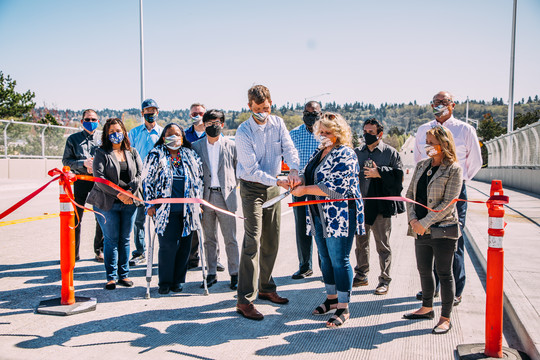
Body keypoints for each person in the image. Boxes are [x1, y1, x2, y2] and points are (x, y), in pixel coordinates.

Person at [291, 112, 365, 328]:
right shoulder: (319, 151)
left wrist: (305, 189)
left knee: (339, 259)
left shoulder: (346, 154)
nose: (323, 135)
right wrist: (297, 181)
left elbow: (336, 189)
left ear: (339, 133)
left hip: (339, 214)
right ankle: (331, 298)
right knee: (324, 258)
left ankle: (344, 306)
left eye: (328, 132)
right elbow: (310, 174)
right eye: (320, 132)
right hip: (317, 212)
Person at [235, 85, 300, 321]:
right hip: (252, 188)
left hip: (274, 186)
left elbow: (289, 148)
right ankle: (244, 300)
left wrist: (293, 169)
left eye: (267, 108)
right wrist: (279, 180)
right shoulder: (243, 132)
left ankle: (266, 286)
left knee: (272, 238)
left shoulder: (278, 123)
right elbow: (251, 170)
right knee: (252, 240)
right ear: (249, 106)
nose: (264, 112)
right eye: (259, 109)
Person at [413, 91, 482, 306]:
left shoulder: (465, 130)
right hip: (428, 190)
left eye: (443, 102)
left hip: (454, 190)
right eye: (435, 102)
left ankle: (455, 290)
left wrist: (459, 182)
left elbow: (475, 161)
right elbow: (418, 158)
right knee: (429, 238)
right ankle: (432, 288)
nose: (439, 105)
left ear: (452, 105)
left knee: (453, 240)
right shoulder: (423, 130)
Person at [403, 125, 462, 334]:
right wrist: (412, 221)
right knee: (424, 269)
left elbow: (449, 202)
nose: (427, 147)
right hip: (420, 228)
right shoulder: (421, 166)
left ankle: (445, 317)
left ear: (443, 145)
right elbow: (409, 194)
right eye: (426, 143)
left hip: (442, 229)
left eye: (431, 143)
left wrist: (424, 222)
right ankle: (426, 307)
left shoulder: (454, 168)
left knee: (444, 273)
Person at [143, 123, 203, 294]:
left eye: (177, 134)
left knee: (185, 246)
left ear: (182, 137)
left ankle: (178, 281)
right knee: (168, 245)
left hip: (187, 209)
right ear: (163, 137)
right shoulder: (155, 155)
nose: (174, 137)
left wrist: (199, 202)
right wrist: (150, 203)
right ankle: (165, 282)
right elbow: (147, 180)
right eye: (170, 134)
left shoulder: (190, 155)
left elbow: (199, 179)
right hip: (164, 210)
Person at [87, 118, 143, 290]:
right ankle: (111, 277)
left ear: (124, 132)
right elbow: (100, 179)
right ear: (106, 134)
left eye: (118, 131)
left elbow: (140, 174)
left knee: (125, 240)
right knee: (111, 240)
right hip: (108, 203)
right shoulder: (101, 153)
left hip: (129, 202)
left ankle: (123, 275)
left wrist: (129, 194)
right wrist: (119, 194)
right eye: (111, 132)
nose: (115, 134)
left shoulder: (132, 152)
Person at [353, 118, 405, 295]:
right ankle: (361, 274)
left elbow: (399, 180)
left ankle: (384, 280)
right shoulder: (356, 153)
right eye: (365, 131)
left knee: (382, 245)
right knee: (361, 243)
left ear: (380, 134)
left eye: (371, 132)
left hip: (381, 206)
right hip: (361, 205)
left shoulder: (390, 153)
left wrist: (380, 173)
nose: (367, 135)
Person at [192, 110, 240, 290]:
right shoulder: (196, 146)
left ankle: (235, 273)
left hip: (225, 197)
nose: (214, 125)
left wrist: (231, 185)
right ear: (204, 125)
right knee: (209, 238)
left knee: (230, 238)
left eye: (218, 122)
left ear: (223, 124)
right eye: (210, 123)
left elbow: (238, 170)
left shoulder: (231, 145)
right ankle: (211, 272)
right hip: (205, 198)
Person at [185, 103, 224, 271]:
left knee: (212, 229)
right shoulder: (186, 135)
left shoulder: (213, 134)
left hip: (212, 187)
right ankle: (192, 257)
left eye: (200, 113)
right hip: (195, 187)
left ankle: (215, 260)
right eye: (194, 113)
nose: (197, 115)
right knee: (193, 226)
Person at [62, 109, 104, 262]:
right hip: (80, 181)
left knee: (100, 216)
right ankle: (73, 252)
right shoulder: (73, 140)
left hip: (98, 182)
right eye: (88, 119)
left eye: (94, 119)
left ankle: (99, 250)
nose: (91, 122)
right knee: (76, 217)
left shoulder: (102, 140)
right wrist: (83, 164)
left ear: (98, 122)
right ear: (82, 121)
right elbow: (66, 161)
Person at [127, 98, 164, 267]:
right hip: (140, 182)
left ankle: (163, 251)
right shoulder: (134, 133)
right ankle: (140, 252)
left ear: (158, 112)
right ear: (142, 113)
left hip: (158, 181)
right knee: (139, 220)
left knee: (160, 217)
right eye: (147, 111)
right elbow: (129, 156)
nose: (151, 113)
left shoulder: (163, 133)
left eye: (153, 110)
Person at [288, 101, 321, 280]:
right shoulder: (294, 134)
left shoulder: (325, 134)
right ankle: (305, 266)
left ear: (320, 114)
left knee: (321, 226)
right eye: (307, 113)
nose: (310, 116)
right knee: (301, 226)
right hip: (299, 186)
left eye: (314, 113)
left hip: (319, 186)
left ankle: (326, 266)